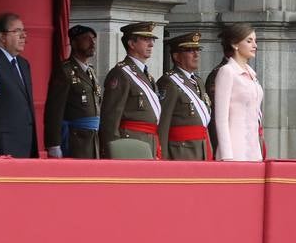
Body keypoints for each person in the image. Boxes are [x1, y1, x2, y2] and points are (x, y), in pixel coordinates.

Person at [100, 22, 161, 159]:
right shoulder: (121, 73)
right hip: (129, 141)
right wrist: (112, 150)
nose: (151, 44)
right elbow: (111, 117)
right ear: (131, 44)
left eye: (152, 40)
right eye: (145, 39)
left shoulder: (147, 76)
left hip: (149, 140)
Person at [44, 25, 100, 159]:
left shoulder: (90, 71)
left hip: (92, 138)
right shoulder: (65, 71)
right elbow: (54, 110)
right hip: (75, 139)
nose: (92, 43)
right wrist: (54, 144)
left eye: (93, 39)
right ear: (74, 43)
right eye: (87, 39)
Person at [0, 12, 38, 158]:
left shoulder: (23, 64)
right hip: (4, 145)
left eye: (24, 31)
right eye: (17, 31)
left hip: (26, 143)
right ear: (2, 37)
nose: (23, 36)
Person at [213, 23, 264, 162]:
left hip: (253, 150)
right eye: (249, 41)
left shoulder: (252, 74)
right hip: (235, 150)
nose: (255, 45)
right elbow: (221, 118)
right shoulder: (227, 72)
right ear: (235, 44)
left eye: (255, 41)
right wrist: (227, 155)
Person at [158, 32, 212, 161]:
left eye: (197, 50)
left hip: (201, 148)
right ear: (176, 56)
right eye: (190, 50)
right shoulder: (169, 82)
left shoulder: (198, 81)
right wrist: (162, 156)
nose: (196, 54)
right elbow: (163, 124)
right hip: (181, 151)